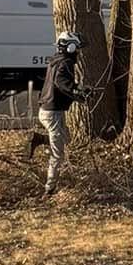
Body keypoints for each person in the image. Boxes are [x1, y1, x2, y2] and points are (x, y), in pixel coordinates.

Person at [37, 33, 81, 196]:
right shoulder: (66, 62)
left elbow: (60, 83)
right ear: (70, 47)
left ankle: (41, 139)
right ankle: (50, 188)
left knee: (66, 139)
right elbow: (62, 82)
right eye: (76, 48)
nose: (77, 52)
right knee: (58, 153)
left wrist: (77, 92)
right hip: (52, 113)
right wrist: (77, 91)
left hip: (49, 111)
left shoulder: (55, 60)